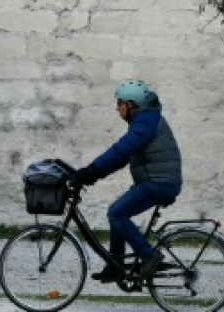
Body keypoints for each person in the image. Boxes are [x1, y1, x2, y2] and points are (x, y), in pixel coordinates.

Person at [70, 79, 182, 282]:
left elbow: (121, 149)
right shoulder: (145, 119)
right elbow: (123, 157)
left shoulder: (145, 121)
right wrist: (94, 174)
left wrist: (92, 171)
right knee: (118, 213)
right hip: (157, 181)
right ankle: (116, 266)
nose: (116, 108)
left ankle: (149, 255)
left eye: (119, 103)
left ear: (131, 104)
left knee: (116, 213)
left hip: (159, 182)